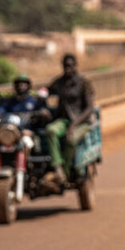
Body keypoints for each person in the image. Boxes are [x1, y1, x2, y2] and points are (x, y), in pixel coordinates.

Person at [44, 53, 95, 185]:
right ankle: (58, 167)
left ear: (75, 66)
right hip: (63, 120)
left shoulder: (84, 83)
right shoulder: (59, 82)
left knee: (71, 140)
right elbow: (45, 91)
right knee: (50, 131)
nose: (68, 68)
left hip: (81, 121)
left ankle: (65, 173)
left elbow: (89, 108)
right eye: (65, 66)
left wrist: (74, 125)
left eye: (70, 66)